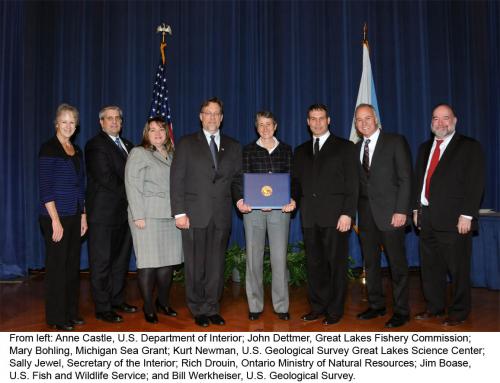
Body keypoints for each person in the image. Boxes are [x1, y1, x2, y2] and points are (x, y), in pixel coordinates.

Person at [170, 97, 242, 327]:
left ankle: (212, 306)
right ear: (201, 116)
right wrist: (179, 212)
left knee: (216, 265)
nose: (212, 117)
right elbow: (177, 180)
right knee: (194, 265)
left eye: (216, 113)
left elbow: (238, 180)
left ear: (222, 117)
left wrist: (241, 199)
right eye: (207, 113)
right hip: (193, 215)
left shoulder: (233, 146)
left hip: (221, 216)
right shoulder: (186, 143)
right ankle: (197, 307)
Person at [413, 103, 485, 326]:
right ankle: (434, 307)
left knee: (458, 269)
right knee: (430, 268)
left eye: (446, 118)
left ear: (454, 121)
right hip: (427, 218)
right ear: (431, 122)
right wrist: (416, 209)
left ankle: (459, 311)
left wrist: (467, 215)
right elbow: (419, 181)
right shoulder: (424, 148)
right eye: (436, 118)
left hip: (455, 221)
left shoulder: (469, 147)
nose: (440, 123)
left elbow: (475, 184)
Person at [291, 104, 358, 325]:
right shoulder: (300, 151)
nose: (317, 122)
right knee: (315, 265)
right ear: (308, 122)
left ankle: (335, 310)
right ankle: (317, 307)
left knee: (336, 266)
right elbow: (296, 184)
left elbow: (353, 185)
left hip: (336, 218)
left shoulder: (345, 147)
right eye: (313, 118)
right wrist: (290, 199)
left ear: (328, 120)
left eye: (321, 118)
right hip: (310, 218)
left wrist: (348, 213)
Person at [354, 104, 412, 328]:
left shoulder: (395, 141)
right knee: (371, 263)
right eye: (359, 120)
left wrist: (402, 211)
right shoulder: (356, 147)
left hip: (391, 215)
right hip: (366, 217)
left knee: (397, 266)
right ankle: (376, 305)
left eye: (367, 118)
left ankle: (401, 311)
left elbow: (406, 179)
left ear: (376, 118)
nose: (363, 123)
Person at [238, 111, 296, 321]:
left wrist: (293, 199)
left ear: (275, 125)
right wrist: (245, 201)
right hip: (253, 212)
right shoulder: (248, 150)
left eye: (268, 124)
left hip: (280, 212)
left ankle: (281, 306)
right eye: (261, 125)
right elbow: (242, 180)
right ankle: (255, 304)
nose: (265, 128)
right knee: (254, 258)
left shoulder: (286, 150)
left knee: (279, 258)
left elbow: (293, 180)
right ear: (256, 127)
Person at [125, 117, 183, 324]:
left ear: (167, 133)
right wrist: (137, 215)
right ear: (146, 133)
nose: (158, 133)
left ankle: (163, 302)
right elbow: (132, 185)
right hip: (146, 217)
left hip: (170, 215)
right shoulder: (139, 153)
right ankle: (148, 306)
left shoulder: (174, 154)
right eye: (152, 130)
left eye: (161, 129)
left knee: (167, 265)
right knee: (148, 265)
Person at [85, 106, 137, 323]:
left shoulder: (129, 145)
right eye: (109, 119)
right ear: (101, 122)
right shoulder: (95, 145)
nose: (114, 122)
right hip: (103, 215)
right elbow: (106, 178)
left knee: (120, 261)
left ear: (122, 122)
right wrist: (135, 193)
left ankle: (116, 299)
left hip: (125, 215)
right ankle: (103, 306)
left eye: (117, 118)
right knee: (102, 262)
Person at [38, 103, 87, 331]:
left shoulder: (76, 150)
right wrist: (55, 220)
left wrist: (83, 215)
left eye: (72, 122)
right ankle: (57, 317)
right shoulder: (49, 148)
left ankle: (70, 311)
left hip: (75, 215)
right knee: (58, 268)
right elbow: (46, 189)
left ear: (76, 126)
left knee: (71, 267)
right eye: (64, 121)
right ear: (57, 123)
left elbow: (80, 187)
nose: (68, 126)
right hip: (55, 217)